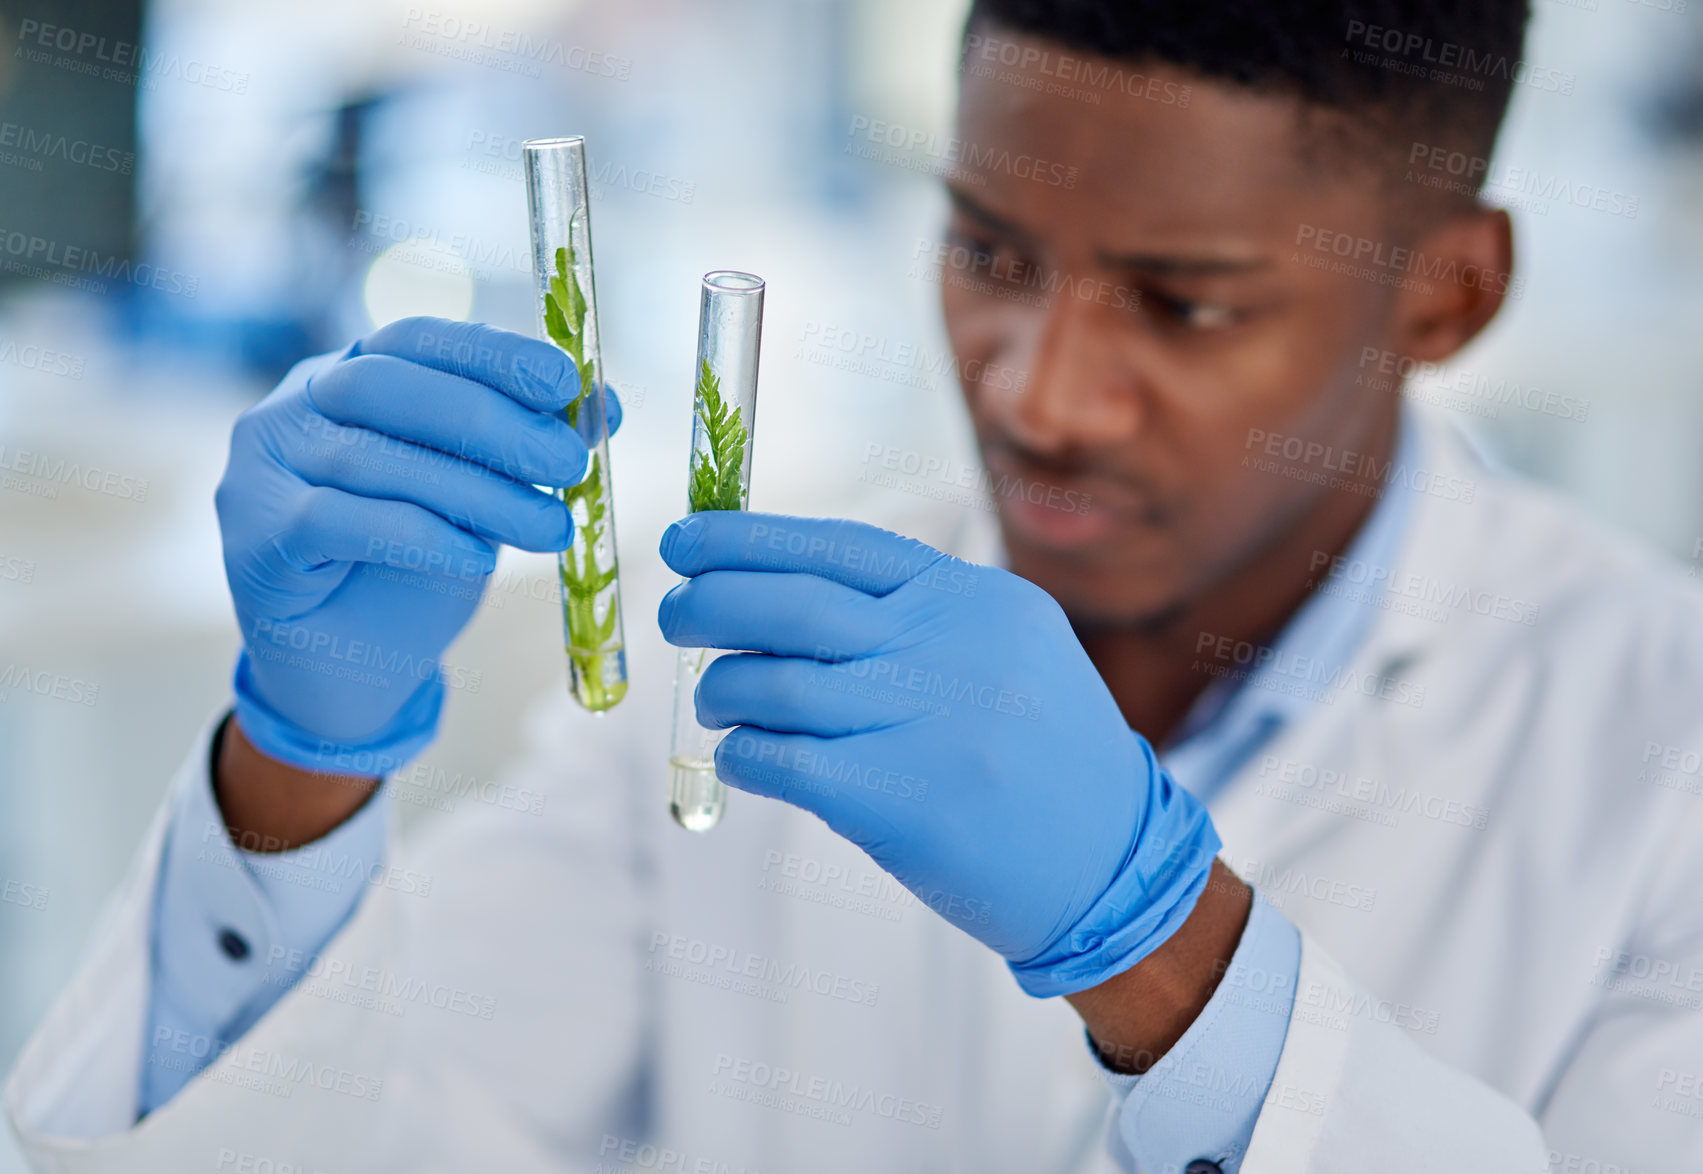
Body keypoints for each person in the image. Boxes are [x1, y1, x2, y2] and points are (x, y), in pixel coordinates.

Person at [9, 1, 1703, 1170]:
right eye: (989, 251)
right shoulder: (738, 662)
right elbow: (354, 1132)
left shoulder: (1661, 747)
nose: (1037, 391)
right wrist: (301, 757)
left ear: (1449, 294)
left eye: (1181, 303)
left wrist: (1168, 946)